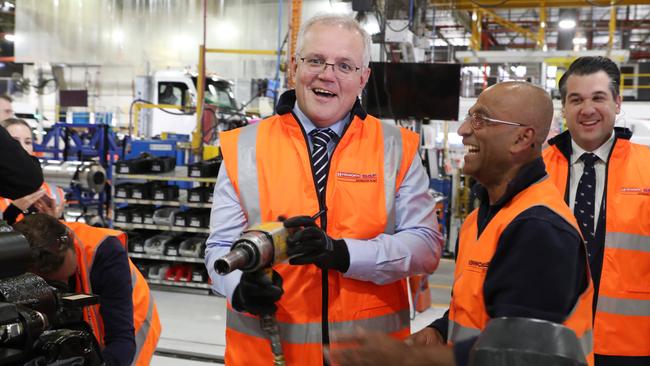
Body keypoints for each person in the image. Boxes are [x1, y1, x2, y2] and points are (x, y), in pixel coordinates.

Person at [205, 13, 443, 365]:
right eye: (315, 60)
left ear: (364, 77)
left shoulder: (396, 147)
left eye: (345, 66)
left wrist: (343, 254)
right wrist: (240, 289)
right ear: (294, 66)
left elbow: (426, 247)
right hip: (265, 354)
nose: (327, 75)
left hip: (366, 357)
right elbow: (219, 248)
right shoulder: (245, 146)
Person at [328, 82, 595, 366]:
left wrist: (409, 359)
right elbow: (476, 309)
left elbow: (520, 356)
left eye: (480, 119)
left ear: (521, 138)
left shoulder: (540, 229)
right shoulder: (481, 219)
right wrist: (440, 331)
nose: (463, 129)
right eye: (469, 116)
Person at [543, 56, 650, 366]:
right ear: (563, 108)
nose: (587, 109)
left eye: (598, 98)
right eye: (575, 99)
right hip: (550, 340)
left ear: (617, 103)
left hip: (630, 346)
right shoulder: (535, 170)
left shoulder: (648, 167)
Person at [13, 213, 162, 366]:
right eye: (54, 283)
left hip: (132, 319)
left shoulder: (105, 251)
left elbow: (121, 338)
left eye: (66, 278)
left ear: (71, 244)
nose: (63, 285)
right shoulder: (17, 251)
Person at [0, 118, 65, 224]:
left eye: (28, 142)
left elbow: (66, 237)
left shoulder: (51, 192)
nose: (23, 147)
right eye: (14, 142)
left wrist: (54, 221)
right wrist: (12, 212)